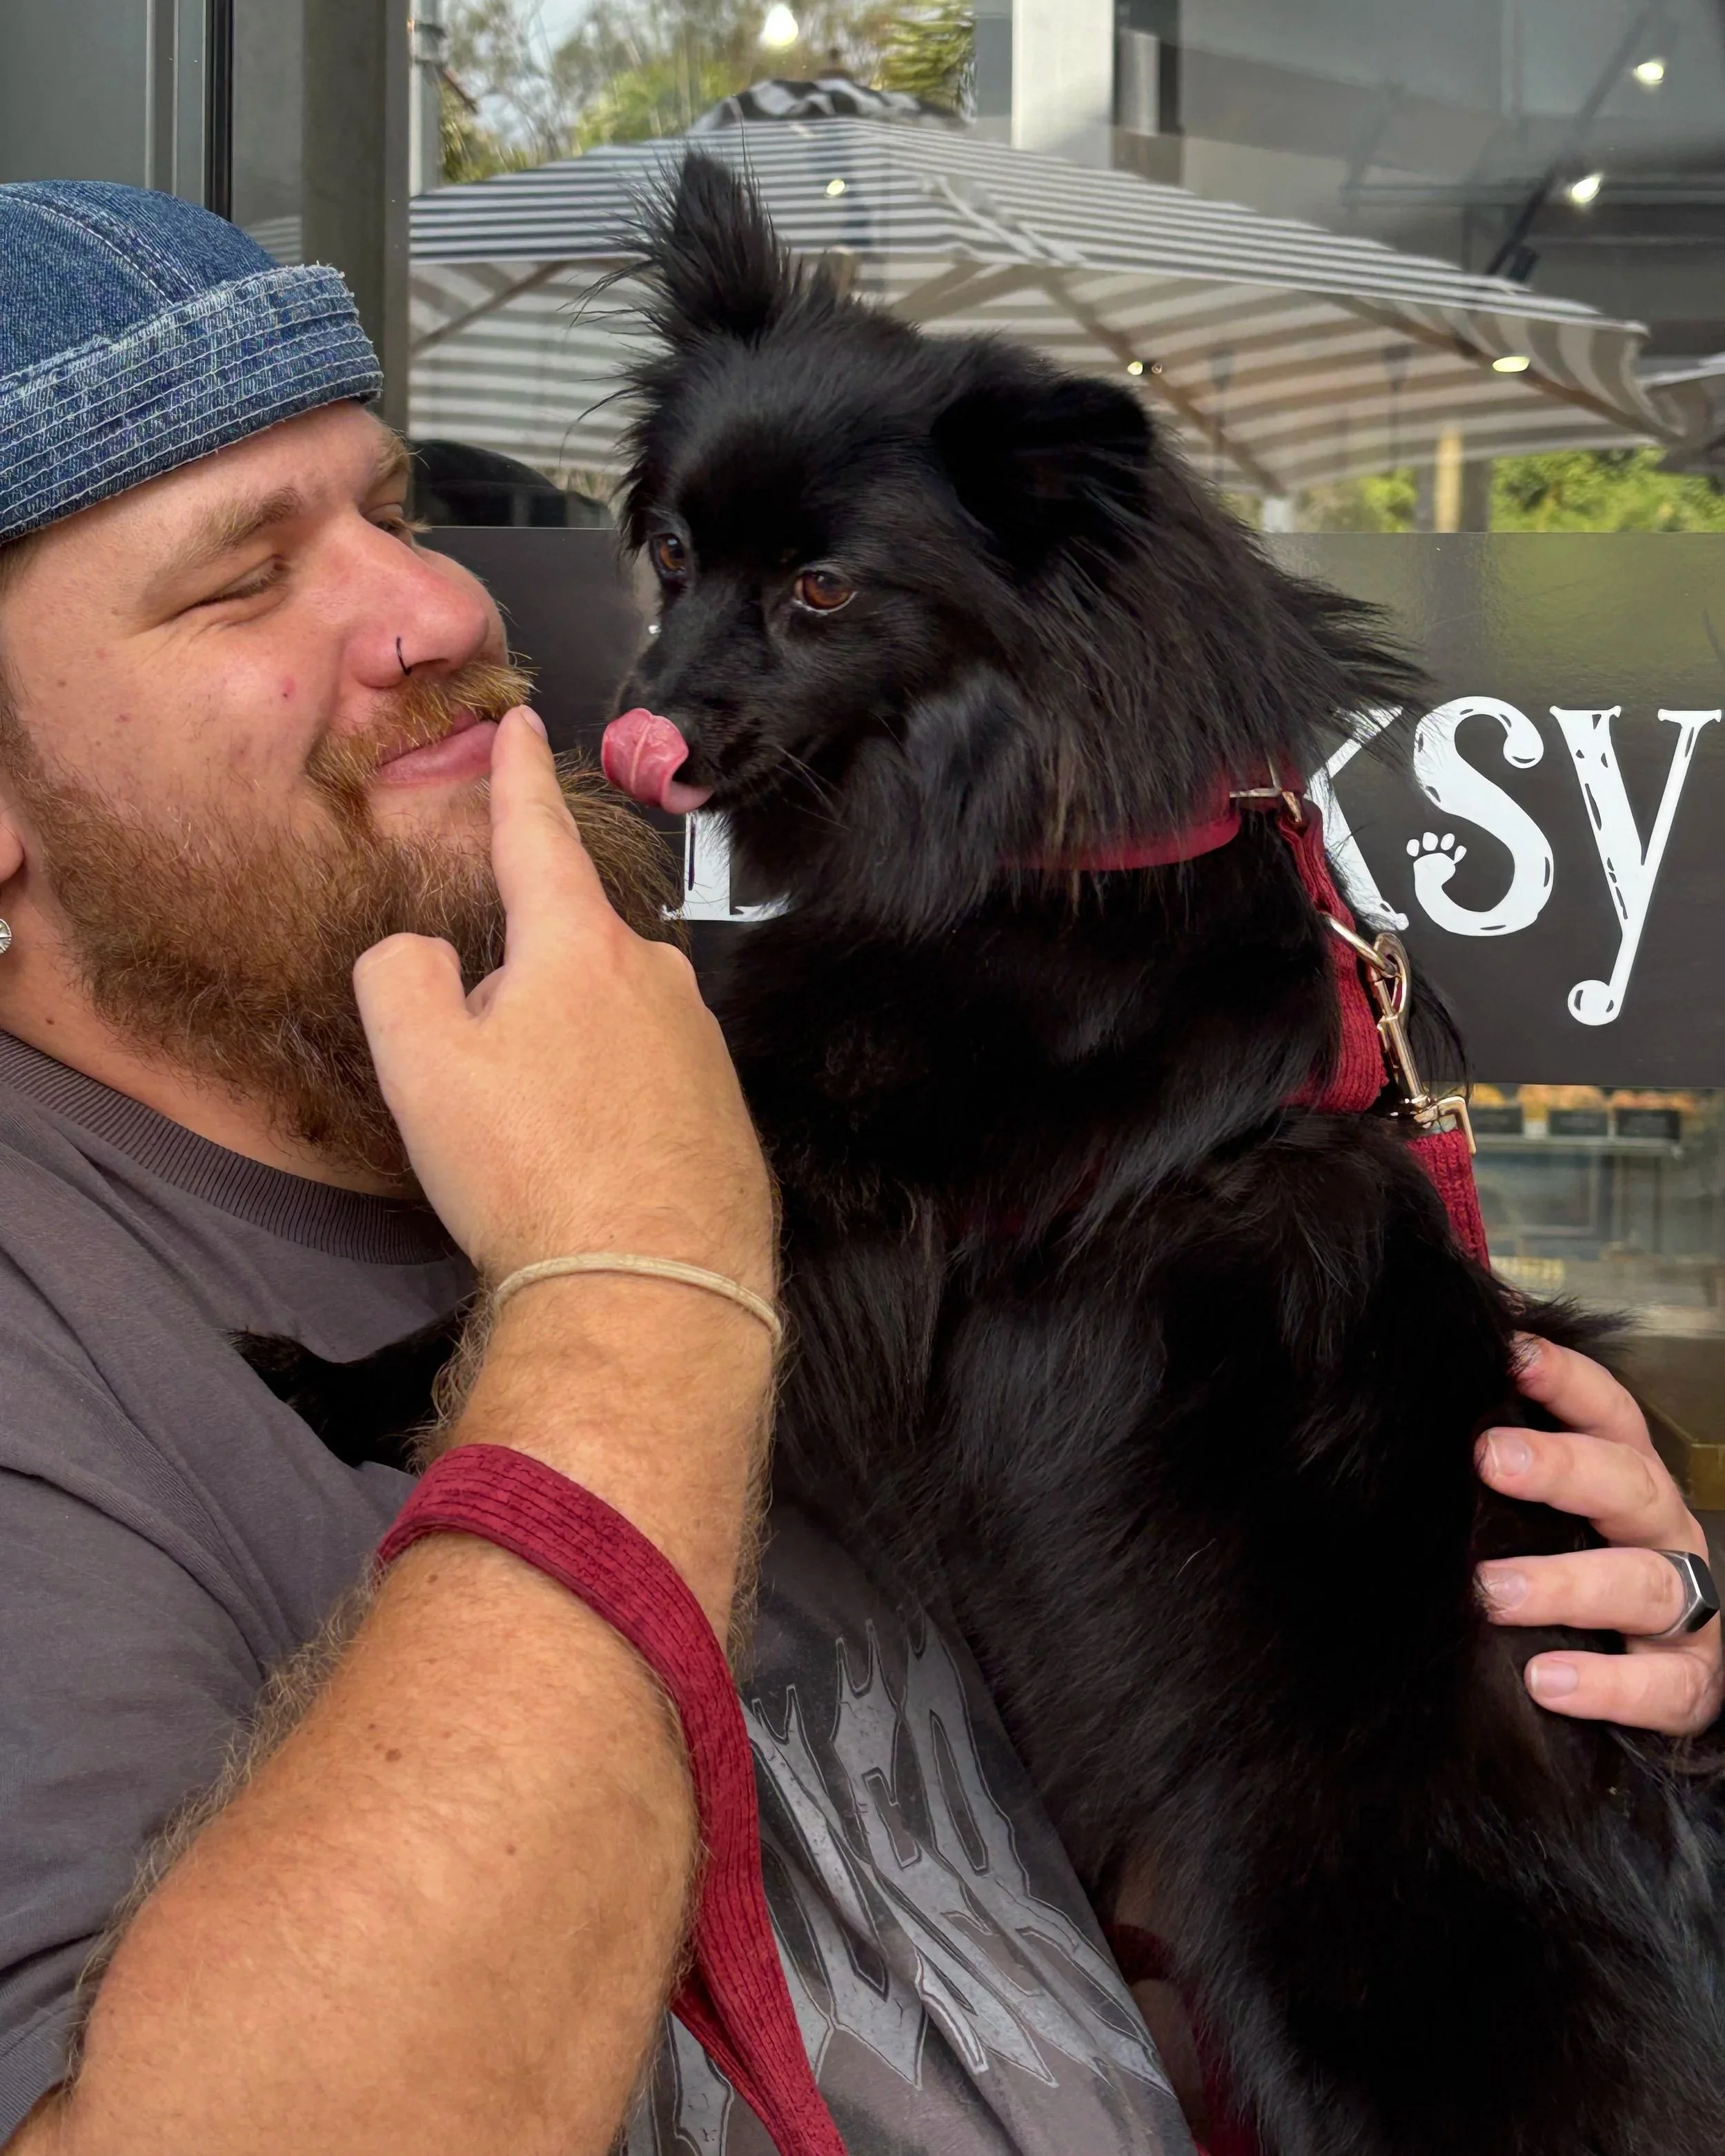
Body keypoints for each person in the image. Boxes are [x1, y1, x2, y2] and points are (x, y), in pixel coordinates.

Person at [0, 181, 1714, 2156]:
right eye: (240, 579)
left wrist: (1578, 1679)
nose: (441, 605)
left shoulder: (700, 1067)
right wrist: (626, 1285)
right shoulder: (56, 1321)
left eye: (386, 508)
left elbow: (1144, 1766)